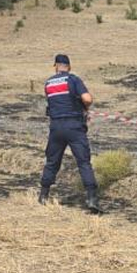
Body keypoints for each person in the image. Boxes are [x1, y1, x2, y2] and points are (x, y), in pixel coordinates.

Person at [39, 54, 100, 212]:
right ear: (69, 66)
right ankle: (92, 199)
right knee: (83, 162)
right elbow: (87, 99)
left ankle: (43, 196)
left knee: (52, 161)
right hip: (74, 126)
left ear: (56, 66)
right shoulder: (73, 80)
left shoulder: (48, 83)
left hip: (56, 127)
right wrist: (83, 105)